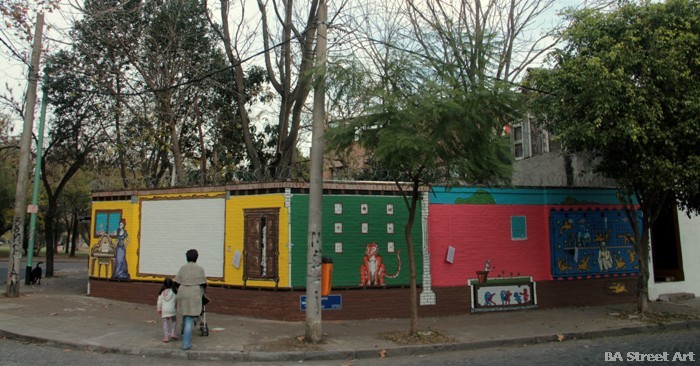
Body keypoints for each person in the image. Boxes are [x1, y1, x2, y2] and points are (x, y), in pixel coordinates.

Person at [174, 249, 206, 351]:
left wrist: (179, 291)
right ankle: (186, 343)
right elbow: (204, 284)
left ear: (187, 257)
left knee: (185, 314)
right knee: (189, 318)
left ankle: (184, 335)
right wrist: (201, 292)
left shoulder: (183, 268)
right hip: (194, 293)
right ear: (197, 257)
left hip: (183, 292)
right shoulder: (200, 269)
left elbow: (176, 282)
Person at [156, 278, 178, 342]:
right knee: (174, 320)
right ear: (172, 284)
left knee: (165, 323)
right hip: (172, 310)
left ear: (164, 285)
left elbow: (159, 302)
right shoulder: (174, 292)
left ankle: (166, 337)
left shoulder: (162, 293)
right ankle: (172, 333)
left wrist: (159, 309)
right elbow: (177, 299)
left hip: (165, 310)